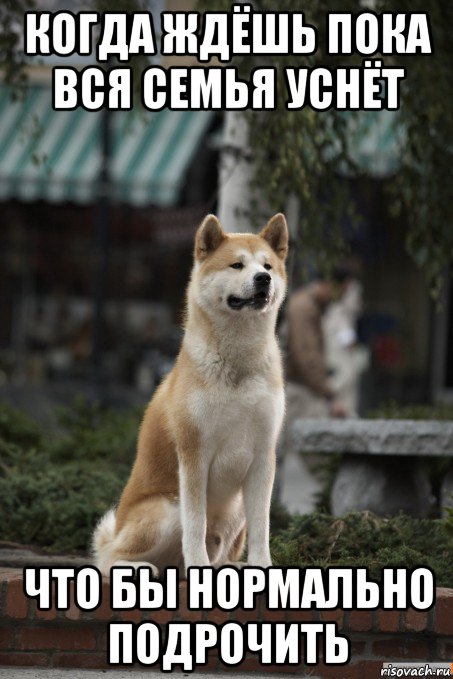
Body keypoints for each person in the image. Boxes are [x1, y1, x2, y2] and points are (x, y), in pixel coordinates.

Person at [285, 271, 352, 422]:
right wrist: (328, 395)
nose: (341, 298)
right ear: (331, 285)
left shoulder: (310, 305)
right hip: (298, 390)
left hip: (303, 387)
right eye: (342, 291)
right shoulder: (304, 307)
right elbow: (306, 355)